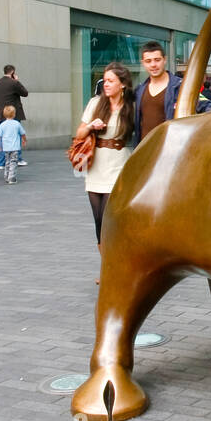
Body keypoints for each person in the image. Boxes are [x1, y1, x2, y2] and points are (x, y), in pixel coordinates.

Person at [72, 63, 135, 269]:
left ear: (122, 84)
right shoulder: (96, 103)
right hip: (96, 166)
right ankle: (108, 266)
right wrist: (91, 125)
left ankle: (114, 269)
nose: (105, 84)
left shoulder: (131, 106)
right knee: (99, 222)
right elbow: (79, 133)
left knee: (110, 221)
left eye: (110, 81)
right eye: (105, 80)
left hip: (119, 164)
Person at [134, 41, 211, 144]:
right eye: (148, 61)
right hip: (145, 151)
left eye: (157, 60)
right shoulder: (140, 90)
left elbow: (207, 106)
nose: (153, 65)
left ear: (165, 60)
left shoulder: (181, 87)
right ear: (143, 63)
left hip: (172, 150)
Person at [0, 65, 29, 168]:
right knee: (15, 137)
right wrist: (17, 80)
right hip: (12, 114)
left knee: (1, 137)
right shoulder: (14, 83)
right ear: (12, 72)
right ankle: (17, 159)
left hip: (0, 114)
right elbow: (25, 93)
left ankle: (1, 163)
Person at [0, 105, 26, 183]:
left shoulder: (2, 124)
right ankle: (11, 178)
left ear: (4, 114)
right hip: (14, 147)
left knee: (7, 162)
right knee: (13, 162)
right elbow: (23, 134)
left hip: (6, 148)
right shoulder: (17, 124)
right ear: (14, 114)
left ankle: (6, 176)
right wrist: (24, 140)